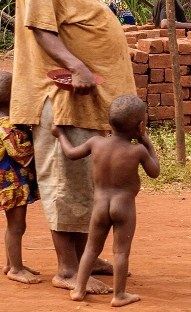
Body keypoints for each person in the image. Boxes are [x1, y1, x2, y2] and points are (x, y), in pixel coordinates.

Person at [10, 0, 135, 295]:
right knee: (64, 181)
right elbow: (42, 29)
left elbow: (69, 7)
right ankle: (66, 268)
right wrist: (78, 66)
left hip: (85, 98)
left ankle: (86, 257)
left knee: (84, 180)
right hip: (61, 94)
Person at [52, 95, 160, 308]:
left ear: (109, 122)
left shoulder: (96, 143)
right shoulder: (137, 151)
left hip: (100, 206)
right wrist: (147, 142)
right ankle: (119, 295)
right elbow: (154, 171)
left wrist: (60, 134)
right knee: (120, 252)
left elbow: (72, 153)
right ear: (140, 126)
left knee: (91, 248)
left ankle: (79, 289)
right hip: (124, 207)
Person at [0, 71, 41, 285]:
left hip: (12, 182)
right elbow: (23, 155)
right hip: (10, 184)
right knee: (17, 226)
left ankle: (11, 263)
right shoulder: (8, 128)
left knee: (14, 225)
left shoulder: (6, 123)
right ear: (15, 97)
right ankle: (16, 268)